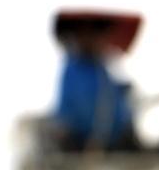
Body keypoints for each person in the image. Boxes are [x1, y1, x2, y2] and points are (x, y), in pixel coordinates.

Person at [52, 14, 139, 152]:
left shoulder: (101, 71)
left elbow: (117, 111)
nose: (103, 39)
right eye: (99, 31)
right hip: (84, 147)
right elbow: (82, 113)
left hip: (113, 145)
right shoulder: (75, 69)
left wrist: (123, 92)